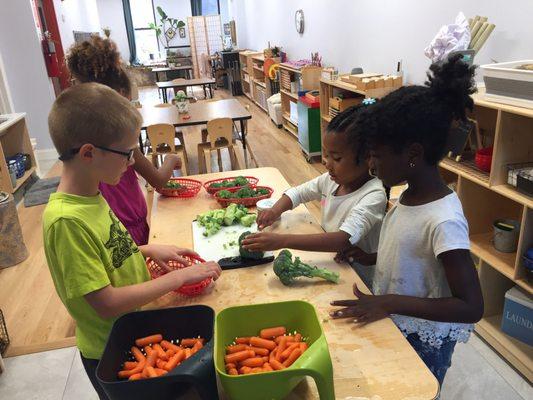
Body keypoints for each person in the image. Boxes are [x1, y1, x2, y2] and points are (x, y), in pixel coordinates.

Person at [44, 83, 221, 399]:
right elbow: (105, 302)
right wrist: (179, 277)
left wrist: (146, 248)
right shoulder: (66, 221)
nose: (131, 162)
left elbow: (104, 254)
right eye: (127, 153)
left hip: (135, 328)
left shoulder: (90, 194)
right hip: (114, 350)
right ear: (88, 153)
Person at [330, 55, 484, 386]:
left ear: (412, 154)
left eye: (377, 155)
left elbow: (471, 306)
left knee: (417, 389)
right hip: (396, 317)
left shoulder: (444, 221)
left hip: (424, 336)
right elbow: (413, 253)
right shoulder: (407, 194)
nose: (371, 164)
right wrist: (369, 256)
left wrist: (388, 302)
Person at [242, 105, 387, 288]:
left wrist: (282, 241)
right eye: (325, 154)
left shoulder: (374, 195)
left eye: (336, 158)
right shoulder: (332, 180)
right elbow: (299, 192)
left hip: (358, 279)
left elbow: (343, 239)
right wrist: (274, 210)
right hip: (331, 260)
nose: (326, 163)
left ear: (368, 159)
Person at [66, 35, 180, 245]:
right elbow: (158, 181)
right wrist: (172, 159)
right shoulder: (120, 139)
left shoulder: (79, 136)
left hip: (103, 231)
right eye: (129, 100)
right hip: (128, 230)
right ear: (118, 96)